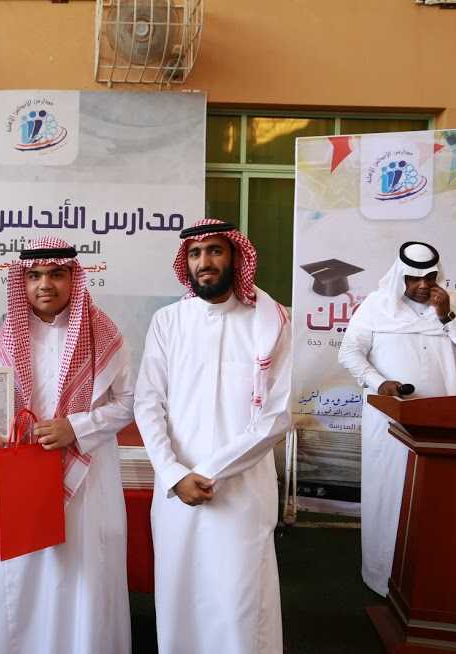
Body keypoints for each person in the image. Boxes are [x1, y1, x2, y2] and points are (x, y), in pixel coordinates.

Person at [134, 218, 292, 654]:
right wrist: (174, 473)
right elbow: (148, 404)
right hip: (176, 491)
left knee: (239, 600)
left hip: (242, 492)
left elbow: (277, 416)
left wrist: (207, 471)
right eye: (195, 253)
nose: (204, 261)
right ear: (185, 262)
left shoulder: (271, 322)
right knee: (179, 596)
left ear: (236, 257)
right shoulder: (168, 322)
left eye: (215, 251)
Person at [0, 237, 133, 654]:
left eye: (56, 274)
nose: (44, 284)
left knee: (85, 571)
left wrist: (76, 428)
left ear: (73, 278)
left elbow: (128, 402)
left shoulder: (102, 332)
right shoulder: (7, 336)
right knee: (26, 570)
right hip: (25, 474)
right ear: (22, 282)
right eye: (33, 276)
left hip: (88, 478)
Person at [339, 241, 456, 596]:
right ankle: (382, 576)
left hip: (443, 425)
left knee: (438, 501)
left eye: (429, 277)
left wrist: (447, 317)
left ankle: (438, 579)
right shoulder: (376, 306)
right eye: (413, 278)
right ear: (400, 277)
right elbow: (349, 352)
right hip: (391, 424)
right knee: (390, 497)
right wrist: (379, 382)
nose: (423, 285)